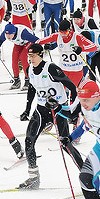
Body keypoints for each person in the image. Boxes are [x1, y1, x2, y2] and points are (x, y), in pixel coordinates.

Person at [18, 43, 83, 189]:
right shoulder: (29, 69)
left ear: (41, 55)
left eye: (33, 56)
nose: (31, 59)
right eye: (29, 56)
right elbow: (31, 89)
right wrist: (27, 110)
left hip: (58, 109)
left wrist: (73, 111)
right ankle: (34, 178)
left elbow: (72, 87)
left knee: (65, 144)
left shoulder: (51, 68)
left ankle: (86, 173)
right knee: (29, 141)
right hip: (41, 110)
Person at [38, 19, 98, 87]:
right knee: (61, 91)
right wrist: (45, 46)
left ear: (70, 30)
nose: (63, 34)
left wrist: (82, 49)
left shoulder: (77, 36)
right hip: (63, 70)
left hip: (76, 70)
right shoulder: (57, 36)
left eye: (65, 32)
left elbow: (94, 47)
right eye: (60, 31)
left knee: (74, 91)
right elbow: (39, 41)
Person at [0, 23, 38, 90]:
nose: (8, 36)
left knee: (23, 57)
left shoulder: (23, 33)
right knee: (14, 59)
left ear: (14, 33)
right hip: (19, 43)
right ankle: (17, 80)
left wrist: (43, 45)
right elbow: (0, 40)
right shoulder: (6, 33)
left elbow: (36, 40)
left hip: (28, 42)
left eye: (10, 34)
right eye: (7, 34)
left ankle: (28, 80)